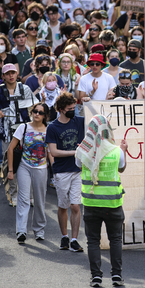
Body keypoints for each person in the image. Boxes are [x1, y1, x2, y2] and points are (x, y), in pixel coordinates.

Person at [76, 114, 127, 287]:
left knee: (92, 241)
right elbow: (122, 167)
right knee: (115, 239)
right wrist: (124, 151)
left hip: (91, 203)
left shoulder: (82, 151)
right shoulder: (116, 150)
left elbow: (78, 164)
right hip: (112, 203)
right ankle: (116, 276)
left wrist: (82, 149)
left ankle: (96, 276)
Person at [0, 64, 39, 205]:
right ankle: (13, 194)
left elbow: (35, 106)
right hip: (8, 133)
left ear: (17, 74)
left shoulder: (25, 89)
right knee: (9, 164)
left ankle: (29, 196)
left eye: (13, 73)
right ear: (4, 76)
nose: (11, 75)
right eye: (8, 73)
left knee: (29, 162)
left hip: (26, 131)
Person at [46, 92, 86, 252]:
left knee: (75, 206)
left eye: (74, 107)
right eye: (70, 108)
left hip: (77, 170)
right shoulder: (53, 127)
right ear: (61, 109)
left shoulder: (80, 122)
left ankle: (74, 239)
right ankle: (64, 236)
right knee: (63, 205)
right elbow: (53, 152)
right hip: (61, 171)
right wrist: (74, 153)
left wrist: (89, 102)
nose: (73, 110)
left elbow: (98, 118)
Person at [9, 103, 52, 243]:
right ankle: (21, 231)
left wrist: (55, 171)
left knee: (39, 200)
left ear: (45, 115)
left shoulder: (49, 129)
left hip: (41, 168)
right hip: (24, 166)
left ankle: (39, 230)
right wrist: (10, 171)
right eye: (35, 111)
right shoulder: (24, 127)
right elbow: (11, 149)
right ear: (31, 112)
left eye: (40, 112)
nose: (37, 114)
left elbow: (50, 151)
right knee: (23, 198)